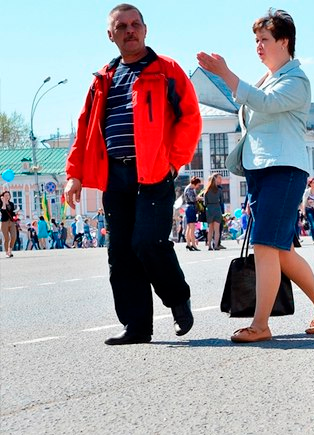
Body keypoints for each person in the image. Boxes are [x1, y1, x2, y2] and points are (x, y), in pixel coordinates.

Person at [64, 3, 200, 345]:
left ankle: (177, 297)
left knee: (148, 243)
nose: (129, 30)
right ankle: (137, 327)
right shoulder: (102, 79)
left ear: (145, 29)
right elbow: (85, 131)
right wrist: (74, 174)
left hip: (154, 172)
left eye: (135, 24)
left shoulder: (166, 70)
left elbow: (190, 118)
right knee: (121, 252)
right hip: (115, 174)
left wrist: (174, 162)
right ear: (111, 35)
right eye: (121, 26)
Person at [197, 8, 314, 343]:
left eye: (264, 39)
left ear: (283, 41)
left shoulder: (296, 80)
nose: (258, 46)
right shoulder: (267, 79)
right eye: (255, 40)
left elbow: (266, 104)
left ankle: (261, 325)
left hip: (283, 171)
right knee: (281, 251)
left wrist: (225, 73)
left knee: (265, 246)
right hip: (262, 171)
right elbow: (255, 105)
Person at [199, 173, 224, 250]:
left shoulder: (206, 191)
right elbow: (222, 201)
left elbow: (205, 203)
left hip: (209, 209)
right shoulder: (219, 190)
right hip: (217, 208)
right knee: (217, 230)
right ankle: (216, 246)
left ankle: (209, 246)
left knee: (210, 229)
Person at [182, 176, 201, 251]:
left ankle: (188, 244)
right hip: (191, 208)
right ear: (195, 184)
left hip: (189, 208)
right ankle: (193, 245)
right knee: (192, 228)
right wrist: (199, 198)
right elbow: (192, 199)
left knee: (189, 227)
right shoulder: (190, 189)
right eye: (198, 185)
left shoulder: (189, 188)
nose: (198, 187)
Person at [1, 191, 17, 257]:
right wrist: (3, 202)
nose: (7, 197)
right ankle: (7, 252)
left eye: (8, 195)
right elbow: (3, 210)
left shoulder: (11, 204)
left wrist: (16, 212)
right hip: (4, 222)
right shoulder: (1, 203)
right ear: (3, 197)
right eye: (6, 195)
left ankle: (10, 250)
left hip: (11, 222)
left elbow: (12, 213)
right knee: (6, 238)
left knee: (13, 236)